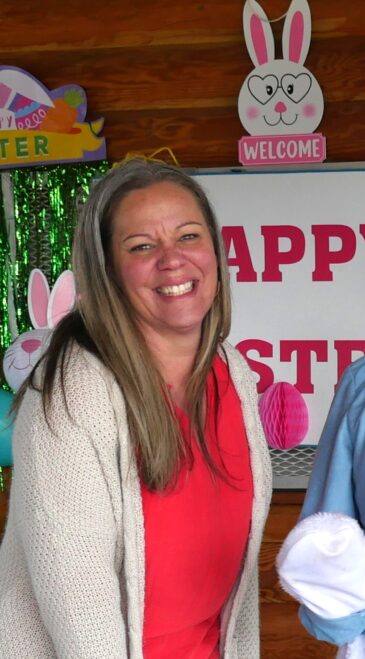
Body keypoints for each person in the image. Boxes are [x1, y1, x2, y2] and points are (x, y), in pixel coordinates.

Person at [0, 158, 272, 658]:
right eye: (142, 246)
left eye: (188, 236)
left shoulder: (231, 372)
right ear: (107, 273)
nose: (172, 260)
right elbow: (79, 602)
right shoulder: (69, 393)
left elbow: (234, 589)